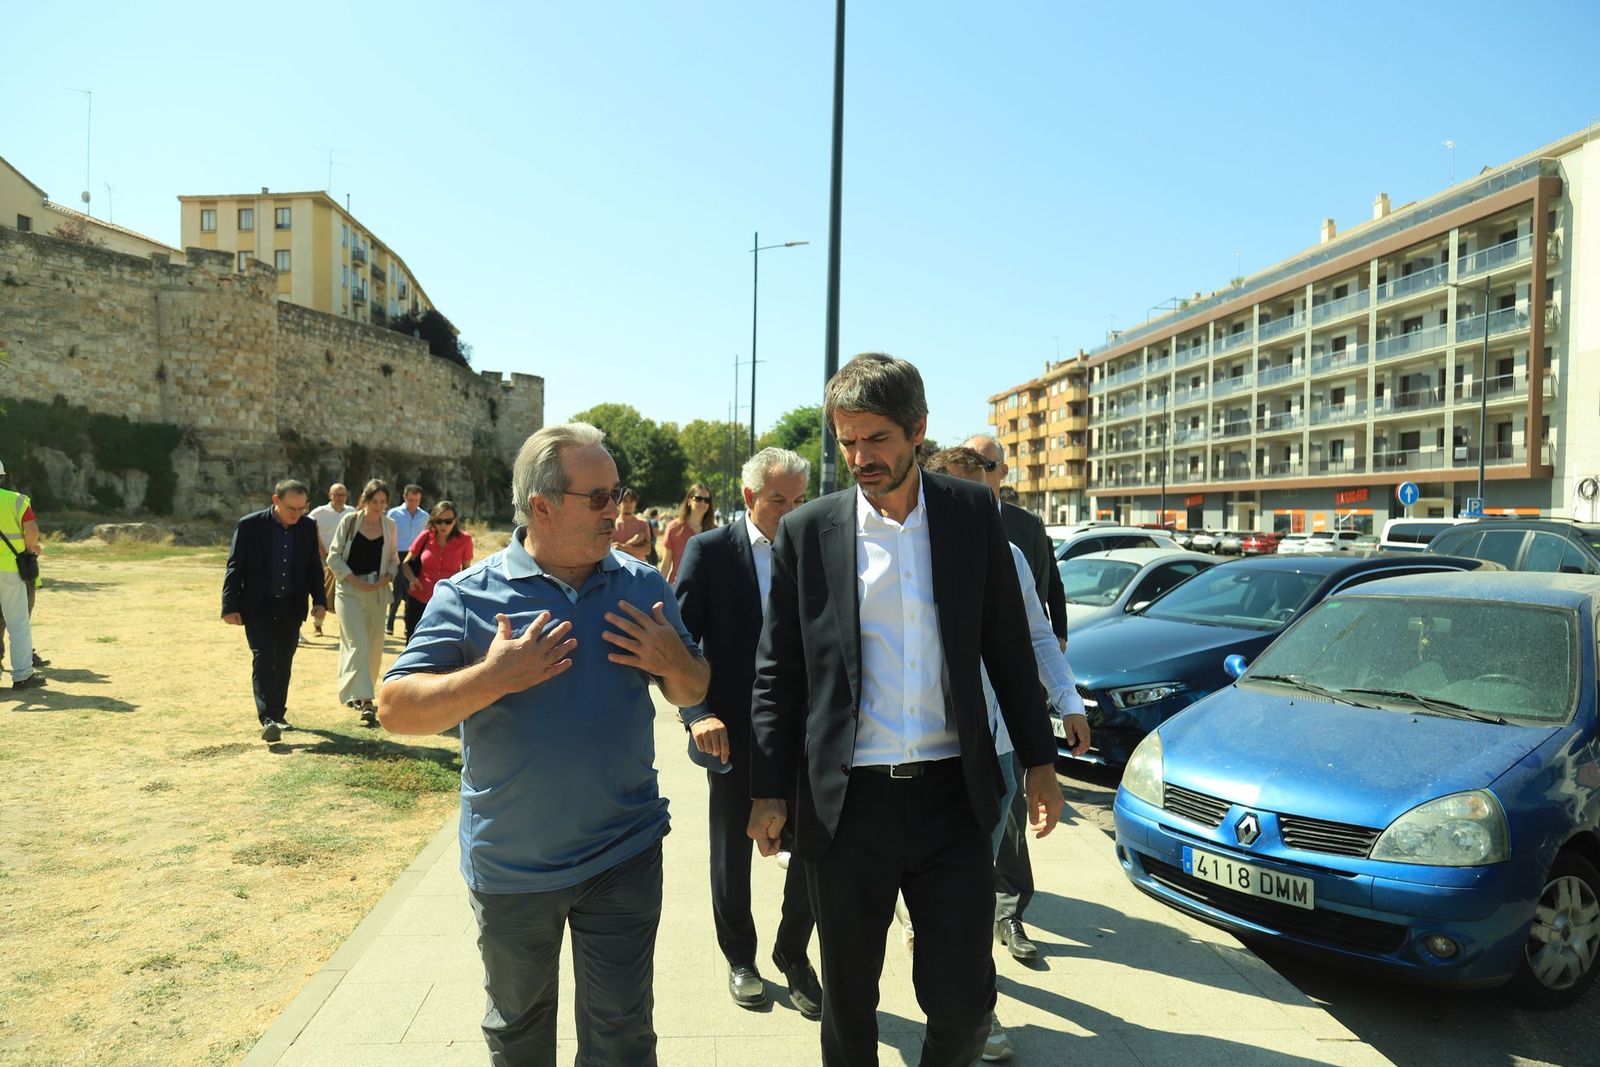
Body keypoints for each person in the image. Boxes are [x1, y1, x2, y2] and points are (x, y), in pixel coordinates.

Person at [747, 353, 1064, 1067]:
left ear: (918, 429)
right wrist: (768, 789)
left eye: (877, 439)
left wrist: (1040, 763)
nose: (860, 457)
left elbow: (1007, 646)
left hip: (953, 801)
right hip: (847, 807)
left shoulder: (971, 513)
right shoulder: (810, 532)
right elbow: (779, 670)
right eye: (847, 440)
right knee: (850, 1003)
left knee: (962, 1005)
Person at [378, 422, 709, 1065]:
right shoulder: (469, 595)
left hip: (625, 851)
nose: (616, 510)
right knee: (519, 1033)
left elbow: (694, 688)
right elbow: (394, 708)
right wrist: (495, 676)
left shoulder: (642, 585)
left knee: (623, 1035)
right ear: (541, 506)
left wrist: (676, 661)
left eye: (617, 494)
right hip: (514, 867)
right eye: (599, 497)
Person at [923, 446, 1091, 1062]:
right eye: (962, 494)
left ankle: (976, 1010)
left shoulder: (1011, 556)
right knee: (929, 894)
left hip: (989, 754)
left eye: (985, 494)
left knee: (968, 890)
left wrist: (1068, 700)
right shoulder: (896, 553)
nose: (977, 507)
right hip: (910, 757)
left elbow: (1038, 634)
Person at [674, 447, 820, 1017]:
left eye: (799, 499)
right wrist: (695, 714)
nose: (790, 510)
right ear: (749, 497)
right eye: (778, 499)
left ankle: (793, 952)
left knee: (811, 848)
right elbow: (682, 644)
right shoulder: (710, 553)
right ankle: (740, 956)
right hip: (731, 733)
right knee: (732, 852)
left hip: (807, 732)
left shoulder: (819, 548)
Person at [961, 434, 1066, 972]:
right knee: (959, 868)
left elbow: (1047, 605)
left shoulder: (1021, 534)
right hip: (948, 738)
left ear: (1001, 473)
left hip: (1008, 721)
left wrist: (1063, 689)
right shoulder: (928, 539)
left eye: (989, 467)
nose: (981, 475)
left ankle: (1007, 916)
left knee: (1008, 830)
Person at [221, 479, 327, 741]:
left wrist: (320, 601)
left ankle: (278, 713)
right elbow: (235, 566)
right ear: (276, 501)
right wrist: (229, 605)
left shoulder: (307, 527)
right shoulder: (249, 525)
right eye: (292, 508)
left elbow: (314, 566)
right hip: (258, 605)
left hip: (291, 605)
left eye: (302, 508)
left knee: (284, 659)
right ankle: (267, 716)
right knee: (264, 656)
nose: (297, 514)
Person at [326, 479, 399, 726]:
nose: (378, 506)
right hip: (348, 590)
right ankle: (367, 700)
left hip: (377, 592)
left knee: (374, 645)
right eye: (374, 501)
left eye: (383, 502)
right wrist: (354, 581)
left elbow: (393, 559)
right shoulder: (349, 522)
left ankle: (352, 691)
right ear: (365, 500)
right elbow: (333, 557)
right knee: (357, 641)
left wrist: (387, 576)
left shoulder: (389, 526)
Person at [0, 459, 48, 677]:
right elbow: (32, 530)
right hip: (11, 568)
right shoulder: (16, 501)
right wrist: (29, 549)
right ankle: (22, 675)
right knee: (18, 623)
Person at [399, 500, 474, 640]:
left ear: (455, 520)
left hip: (448, 601)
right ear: (433, 521)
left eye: (448, 521)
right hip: (419, 598)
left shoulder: (465, 540)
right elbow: (405, 564)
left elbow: (466, 570)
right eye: (439, 521)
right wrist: (413, 579)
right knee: (413, 639)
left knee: (442, 642)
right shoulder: (426, 536)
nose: (443, 525)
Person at [307, 483, 352, 637]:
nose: (340, 498)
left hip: (344, 560)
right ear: (330, 495)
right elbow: (310, 530)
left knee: (345, 594)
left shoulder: (351, 512)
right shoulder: (319, 512)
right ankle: (318, 625)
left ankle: (346, 628)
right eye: (336, 495)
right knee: (322, 591)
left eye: (342, 495)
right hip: (322, 559)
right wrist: (322, 553)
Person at [386, 484, 428, 637]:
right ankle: (389, 623)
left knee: (412, 590)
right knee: (397, 590)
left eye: (416, 500)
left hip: (416, 557)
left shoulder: (425, 516)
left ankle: (407, 624)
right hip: (398, 554)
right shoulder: (393, 514)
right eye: (410, 500)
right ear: (404, 497)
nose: (413, 503)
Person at [660, 482, 716, 584]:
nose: (702, 503)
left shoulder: (715, 531)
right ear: (689, 501)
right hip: (678, 589)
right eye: (698, 498)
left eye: (707, 500)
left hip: (706, 591)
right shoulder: (674, 528)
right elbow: (666, 564)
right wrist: (658, 591)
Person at [611, 489, 653, 561]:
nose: (628, 504)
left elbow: (647, 550)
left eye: (631, 501)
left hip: (638, 566)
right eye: (625, 501)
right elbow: (611, 549)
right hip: (617, 566)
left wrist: (621, 546)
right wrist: (633, 542)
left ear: (635, 503)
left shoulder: (643, 524)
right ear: (619, 502)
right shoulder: (612, 523)